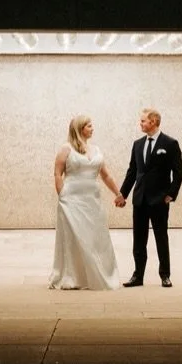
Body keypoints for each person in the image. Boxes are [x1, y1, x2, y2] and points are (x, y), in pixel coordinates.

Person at [48, 116, 123, 290]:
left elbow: (106, 175)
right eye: (89, 126)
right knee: (74, 237)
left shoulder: (96, 149)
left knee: (95, 237)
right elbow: (57, 173)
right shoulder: (66, 149)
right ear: (80, 128)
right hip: (71, 199)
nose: (92, 128)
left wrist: (118, 193)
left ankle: (95, 273)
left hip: (93, 200)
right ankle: (73, 276)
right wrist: (62, 195)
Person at [119, 107, 182, 288]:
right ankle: (138, 275)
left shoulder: (170, 143)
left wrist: (171, 194)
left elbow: (178, 171)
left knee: (161, 237)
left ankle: (165, 275)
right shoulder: (137, 144)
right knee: (139, 240)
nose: (140, 123)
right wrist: (123, 194)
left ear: (153, 122)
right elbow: (132, 172)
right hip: (140, 199)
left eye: (143, 121)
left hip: (159, 199)